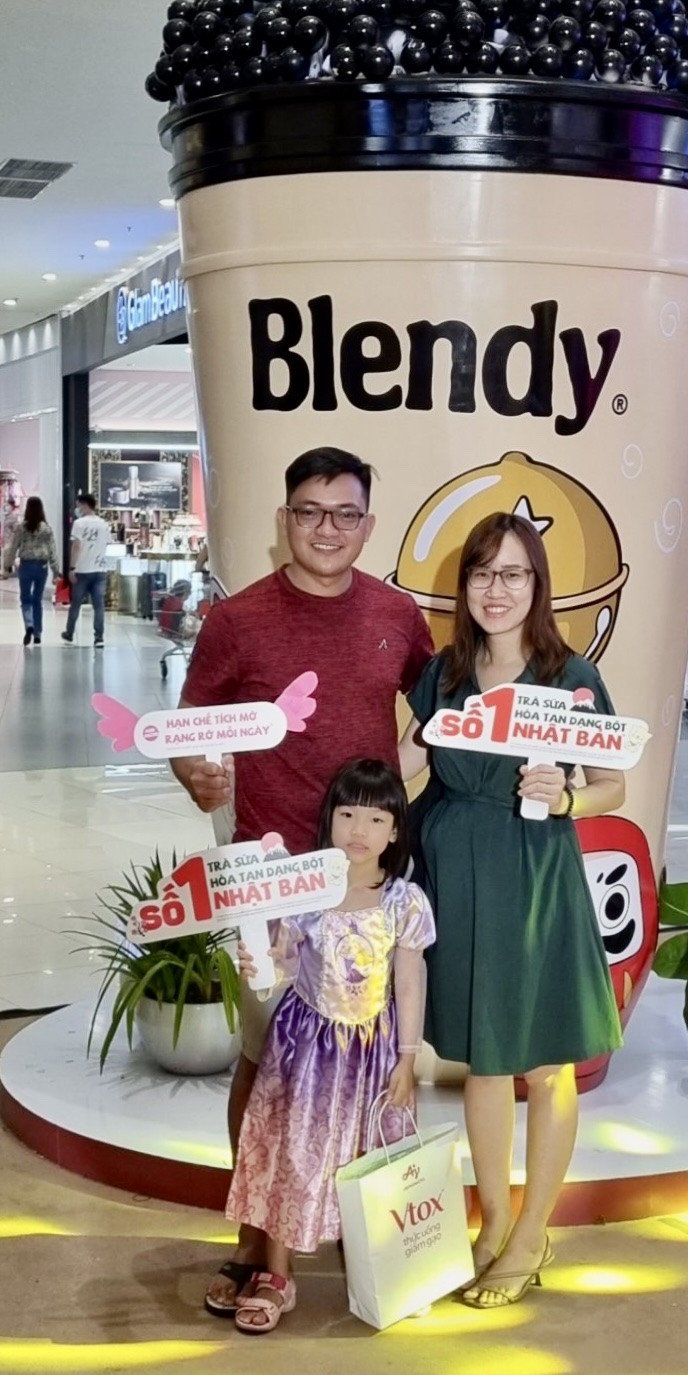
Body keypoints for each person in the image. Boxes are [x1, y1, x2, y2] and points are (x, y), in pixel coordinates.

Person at [171, 446, 433, 1317]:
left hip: (365, 889)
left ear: (368, 522)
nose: (328, 528)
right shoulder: (237, 619)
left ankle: (351, 1229)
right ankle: (255, 1239)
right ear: (285, 519)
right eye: (311, 511)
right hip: (273, 886)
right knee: (266, 1063)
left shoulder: (397, 614)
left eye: (346, 513)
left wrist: (404, 787)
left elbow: (438, 711)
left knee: (362, 1063)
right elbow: (189, 726)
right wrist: (197, 775)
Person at [400, 511, 625, 1309]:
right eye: (482, 572)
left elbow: (612, 785)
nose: (496, 589)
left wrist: (566, 795)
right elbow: (407, 757)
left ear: (538, 585)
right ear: (464, 584)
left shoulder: (571, 676)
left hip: (535, 874)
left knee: (546, 1060)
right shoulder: (445, 673)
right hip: (457, 871)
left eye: (513, 573)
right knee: (486, 1058)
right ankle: (493, 1218)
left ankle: (533, 1231)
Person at [224, 759, 434, 1334]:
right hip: (305, 1051)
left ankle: (387, 1263)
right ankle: (276, 1273)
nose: (359, 830)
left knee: (372, 1153)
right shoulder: (305, 894)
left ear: (395, 830)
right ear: (328, 820)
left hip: (373, 1056)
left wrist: (408, 1057)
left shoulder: (403, 901)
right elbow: (285, 968)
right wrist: (261, 964)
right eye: (347, 814)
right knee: (291, 1152)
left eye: (376, 818)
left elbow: (409, 979)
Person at [3, 496, 59, 645]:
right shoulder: (46, 529)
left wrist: (7, 565)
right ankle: (38, 633)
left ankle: (29, 624)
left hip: (26, 565)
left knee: (25, 598)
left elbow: (13, 547)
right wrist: (56, 571)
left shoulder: (21, 528)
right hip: (41, 566)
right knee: (37, 599)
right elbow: (52, 550)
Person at [61, 493, 112, 646]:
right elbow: (107, 544)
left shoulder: (79, 524)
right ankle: (99, 638)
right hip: (100, 570)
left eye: (78, 505)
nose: (77, 509)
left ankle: (69, 633)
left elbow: (76, 546)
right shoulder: (104, 524)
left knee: (76, 604)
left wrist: (72, 568)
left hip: (82, 570)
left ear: (84, 505)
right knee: (99, 606)